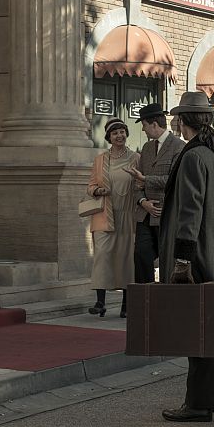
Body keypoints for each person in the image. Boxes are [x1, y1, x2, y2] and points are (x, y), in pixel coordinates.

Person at [159, 91, 214, 423]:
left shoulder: (194, 157)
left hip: (199, 257)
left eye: (177, 118)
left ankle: (197, 404)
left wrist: (182, 260)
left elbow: (190, 212)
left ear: (183, 121)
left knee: (200, 332)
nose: (175, 122)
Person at [86, 117, 140, 318]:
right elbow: (90, 185)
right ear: (109, 137)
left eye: (122, 132)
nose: (120, 135)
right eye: (115, 133)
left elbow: (141, 185)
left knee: (125, 259)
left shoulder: (136, 158)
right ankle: (100, 303)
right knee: (102, 257)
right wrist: (97, 190)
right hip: (104, 215)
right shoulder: (100, 160)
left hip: (127, 216)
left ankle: (126, 305)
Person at [126, 103, 184, 283]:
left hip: (165, 213)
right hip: (145, 214)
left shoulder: (179, 147)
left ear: (154, 124)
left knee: (167, 260)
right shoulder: (147, 148)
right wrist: (142, 201)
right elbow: (137, 183)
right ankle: (144, 302)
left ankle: (164, 301)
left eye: (143, 125)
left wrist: (145, 179)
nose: (143, 130)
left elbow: (174, 181)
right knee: (141, 256)